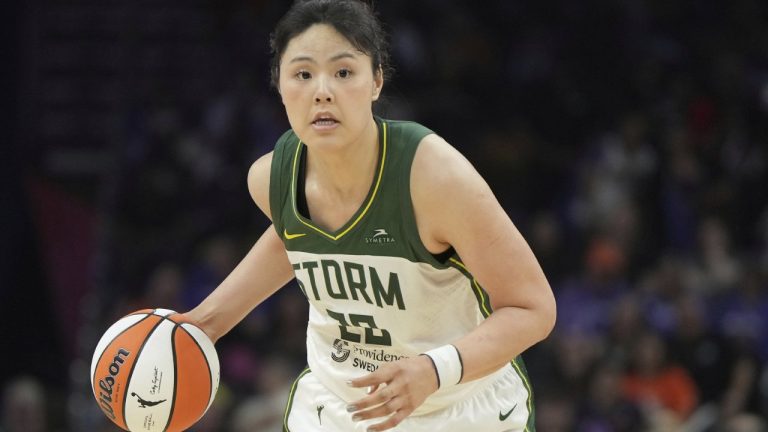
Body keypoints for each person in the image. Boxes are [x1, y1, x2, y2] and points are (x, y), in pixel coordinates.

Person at [183, 1, 556, 431]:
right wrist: (205, 322)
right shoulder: (270, 179)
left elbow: (533, 308)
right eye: (302, 74)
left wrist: (434, 369)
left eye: (344, 72)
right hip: (337, 405)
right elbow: (297, 239)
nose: (322, 91)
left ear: (376, 81)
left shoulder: (434, 177)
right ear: (279, 85)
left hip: (454, 403)